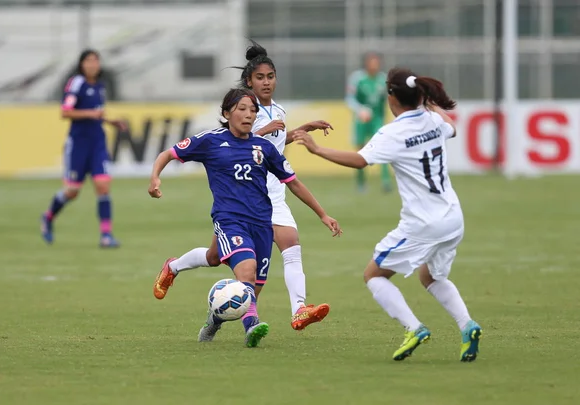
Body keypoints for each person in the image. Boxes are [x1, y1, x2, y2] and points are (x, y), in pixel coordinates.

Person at [294, 68, 482, 362]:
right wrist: (429, 103)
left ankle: (414, 328)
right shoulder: (433, 120)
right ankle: (467, 325)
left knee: (373, 275)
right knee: (430, 276)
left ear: (392, 98)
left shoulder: (394, 133)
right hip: (453, 217)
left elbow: (359, 160)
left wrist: (317, 149)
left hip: (423, 223)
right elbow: (451, 127)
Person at [153, 41, 335, 332]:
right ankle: (178, 270)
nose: (267, 82)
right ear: (249, 82)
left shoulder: (278, 110)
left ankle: (294, 310)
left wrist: (296, 132)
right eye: (260, 78)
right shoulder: (243, 112)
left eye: (271, 77)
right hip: (239, 201)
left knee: (265, 258)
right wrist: (261, 131)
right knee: (238, 267)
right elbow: (246, 142)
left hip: (270, 195)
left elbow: (268, 149)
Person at [40, 49, 126, 248]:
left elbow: (96, 114)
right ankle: (48, 216)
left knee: (103, 185)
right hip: (78, 144)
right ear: (81, 64)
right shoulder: (76, 83)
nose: (93, 65)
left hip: (97, 143)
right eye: (88, 61)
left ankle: (106, 236)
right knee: (72, 191)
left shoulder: (100, 86)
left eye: (96, 61)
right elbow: (65, 111)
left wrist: (110, 121)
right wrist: (90, 114)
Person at [346, 52, 392, 193]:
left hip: (377, 119)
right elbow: (350, 99)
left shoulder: (383, 79)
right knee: (360, 151)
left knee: (382, 148)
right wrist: (360, 110)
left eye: (376, 62)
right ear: (366, 63)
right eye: (371, 62)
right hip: (361, 119)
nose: (374, 65)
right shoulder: (357, 78)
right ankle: (361, 183)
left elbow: (389, 100)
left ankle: (386, 181)